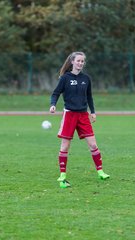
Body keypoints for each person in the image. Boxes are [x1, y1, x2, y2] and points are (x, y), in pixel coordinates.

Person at [50, 51, 110, 188]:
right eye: (78, 61)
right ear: (72, 62)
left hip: (83, 115)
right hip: (70, 115)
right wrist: (53, 105)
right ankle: (63, 175)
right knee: (65, 146)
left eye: (82, 61)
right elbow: (56, 93)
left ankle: (100, 171)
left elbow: (89, 96)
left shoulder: (86, 78)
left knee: (93, 145)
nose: (80, 63)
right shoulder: (65, 78)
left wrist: (93, 112)